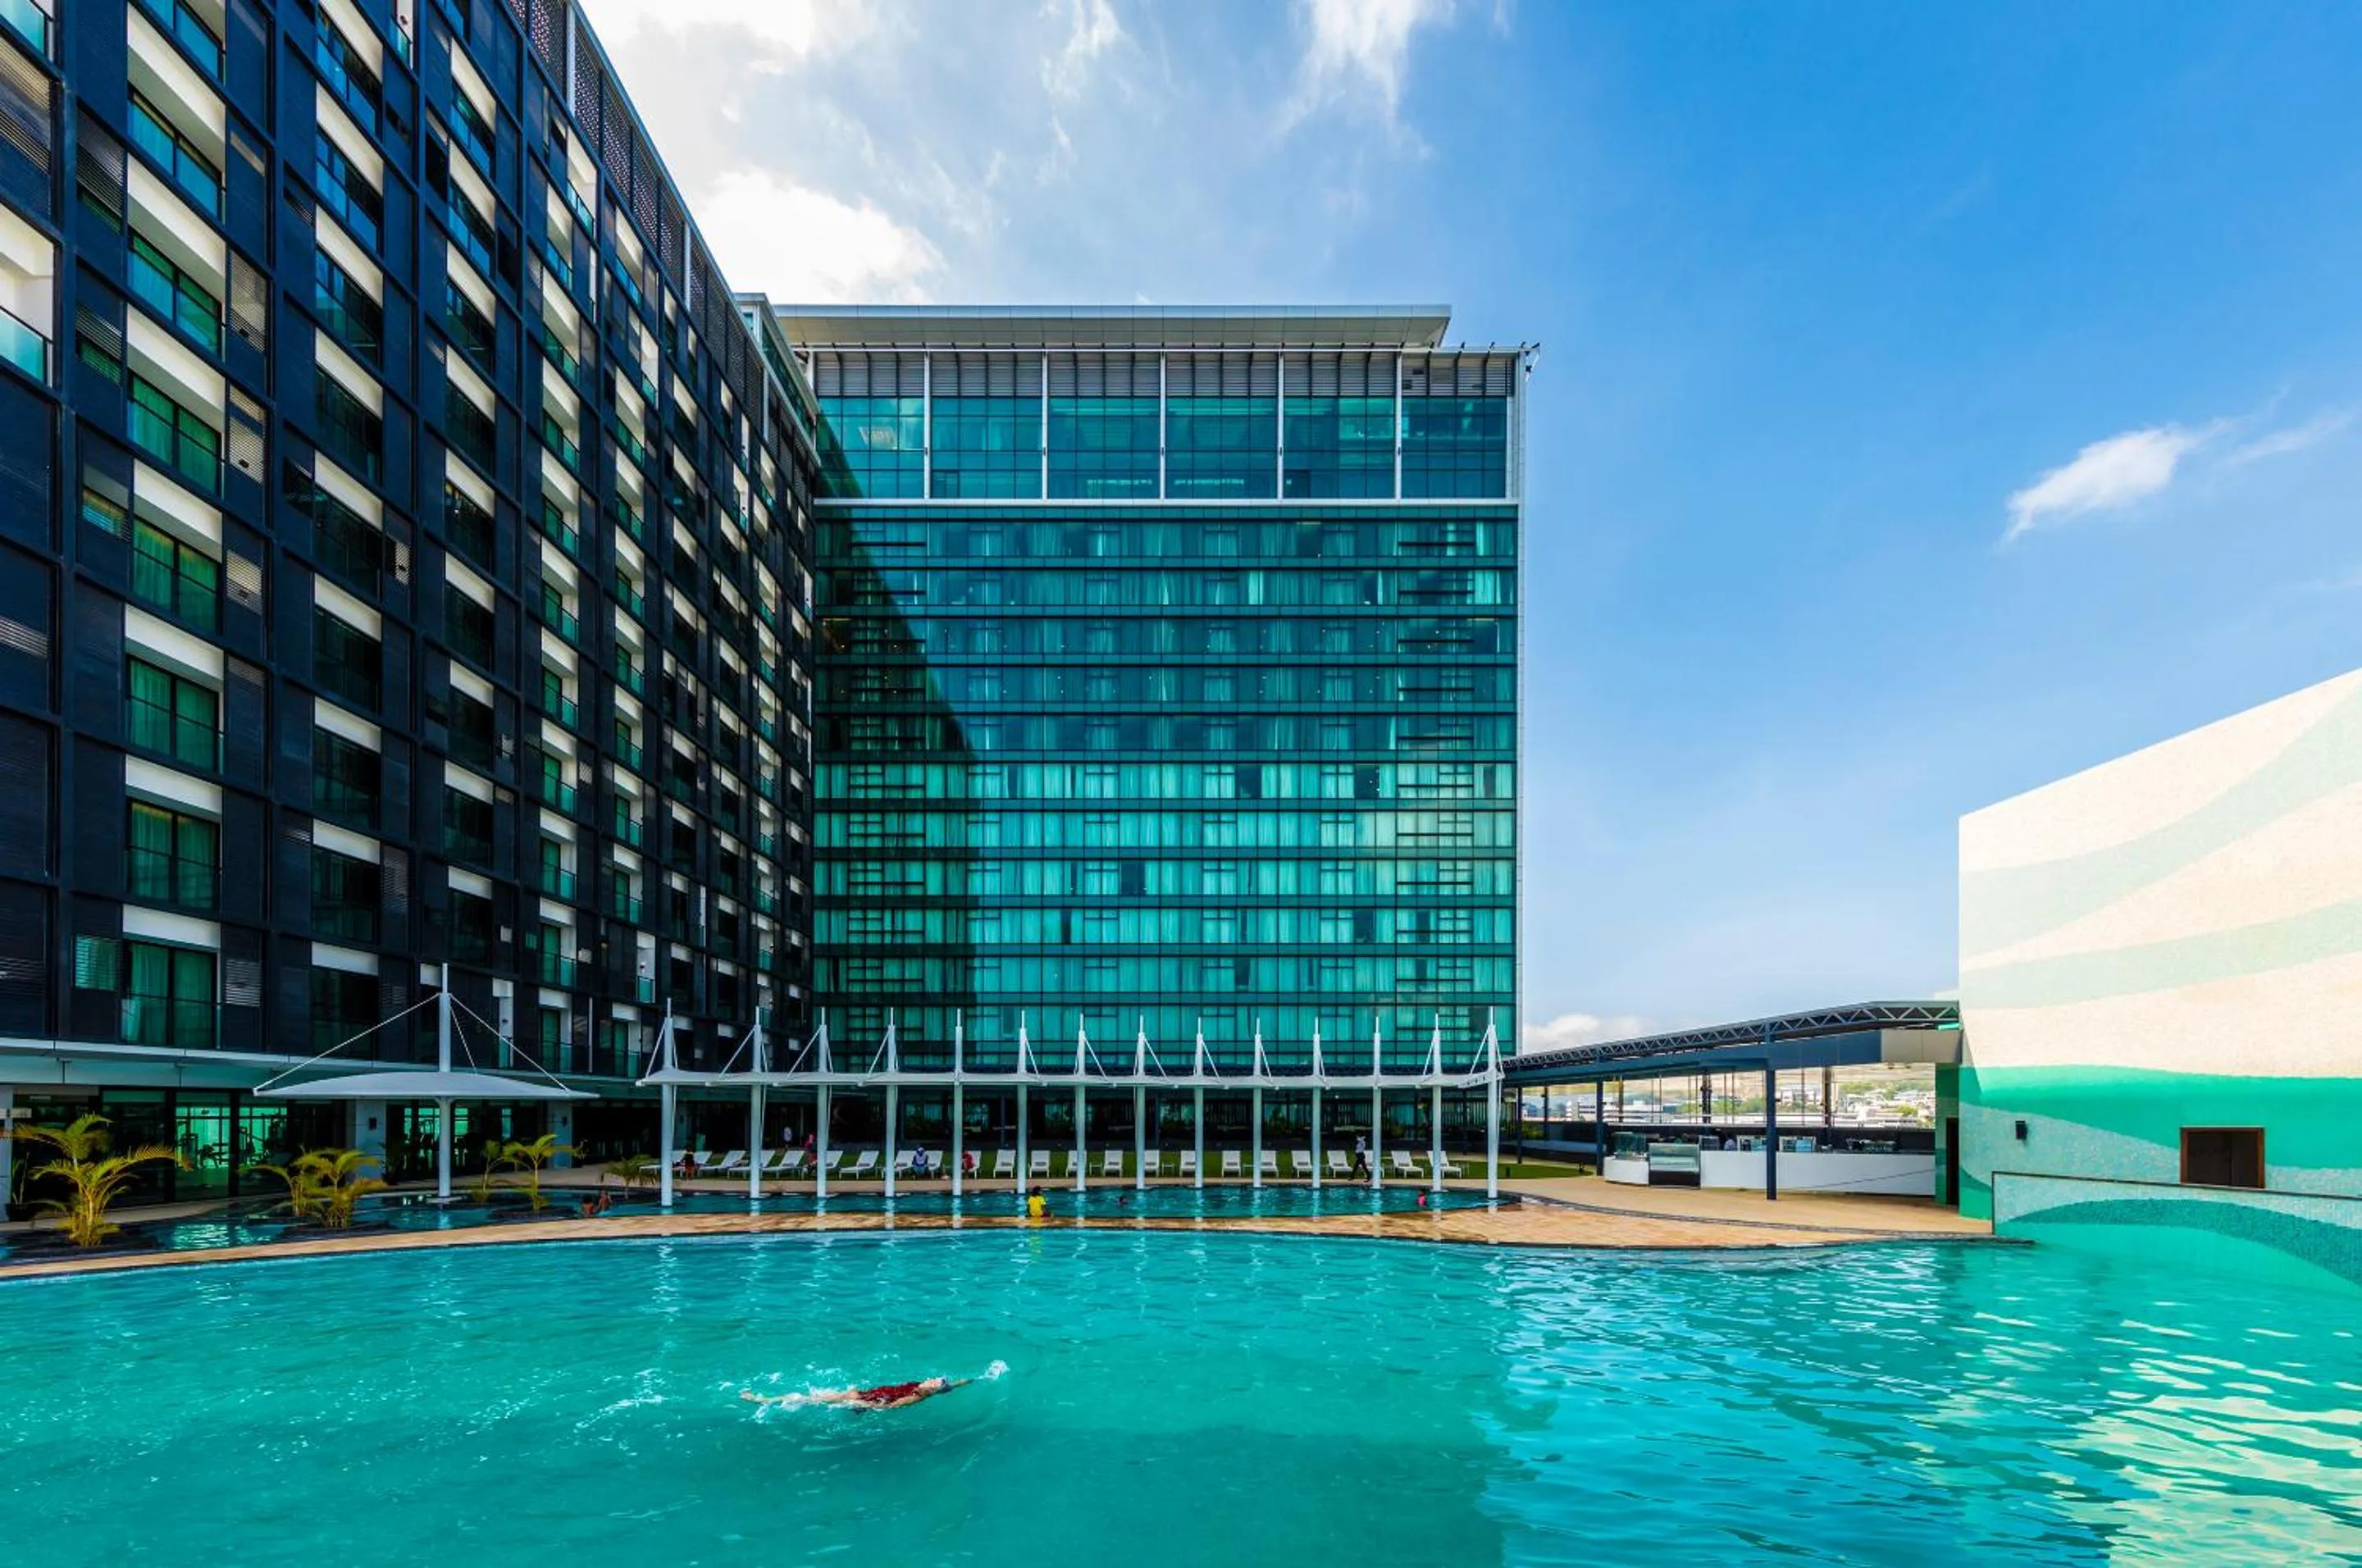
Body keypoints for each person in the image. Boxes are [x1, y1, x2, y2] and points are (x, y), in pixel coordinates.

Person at [742, 1376, 972, 1412]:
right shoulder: (923, 1386)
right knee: (814, 1398)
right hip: (864, 1395)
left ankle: (760, 1401)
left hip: (864, 1401)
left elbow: (889, 1408)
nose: (932, 1379)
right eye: (936, 1378)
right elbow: (955, 1385)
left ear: (933, 1390)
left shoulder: (917, 1395)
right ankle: (765, 1400)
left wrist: (856, 1399)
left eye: (936, 1382)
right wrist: (972, 1379)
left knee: (804, 1398)